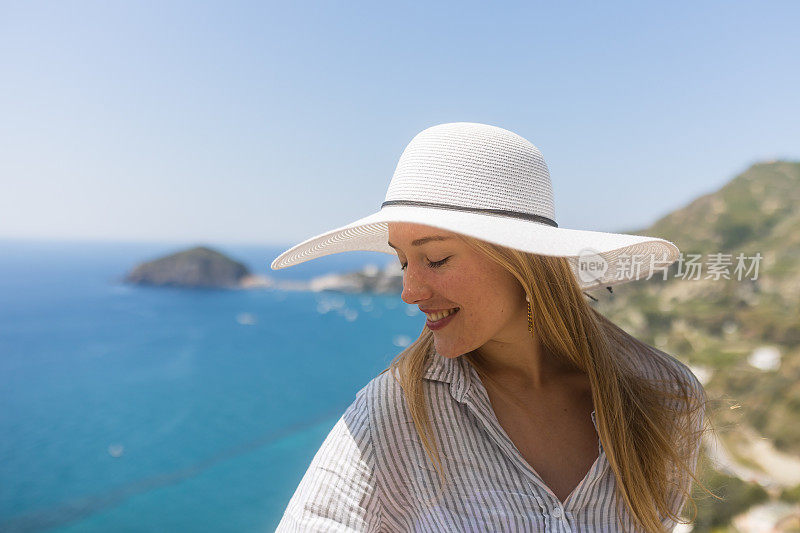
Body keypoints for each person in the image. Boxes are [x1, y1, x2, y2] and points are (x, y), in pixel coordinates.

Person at [270, 122, 711, 532]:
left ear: (522, 259)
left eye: (435, 259)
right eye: (403, 260)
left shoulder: (665, 395)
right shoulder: (396, 411)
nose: (408, 290)